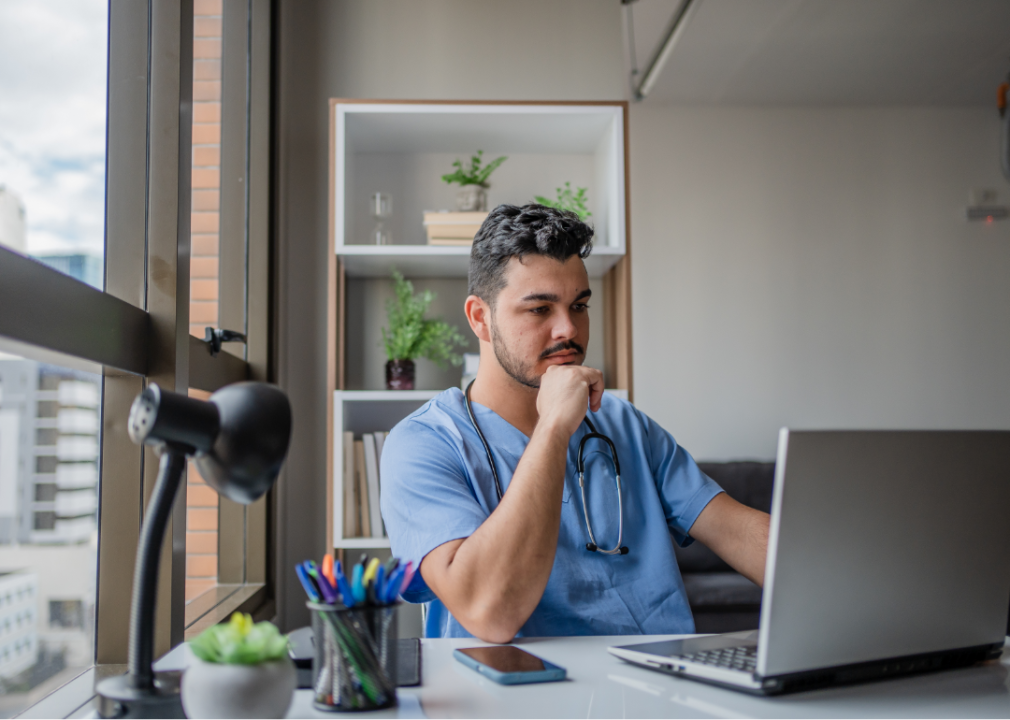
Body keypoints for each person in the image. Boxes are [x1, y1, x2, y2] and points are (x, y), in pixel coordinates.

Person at [380, 204, 769, 642]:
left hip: (653, 688)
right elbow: (489, 612)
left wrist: (833, 573)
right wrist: (553, 428)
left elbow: (737, 532)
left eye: (579, 305)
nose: (569, 329)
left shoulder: (623, 423)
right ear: (479, 318)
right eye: (540, 309)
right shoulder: (422, 444)